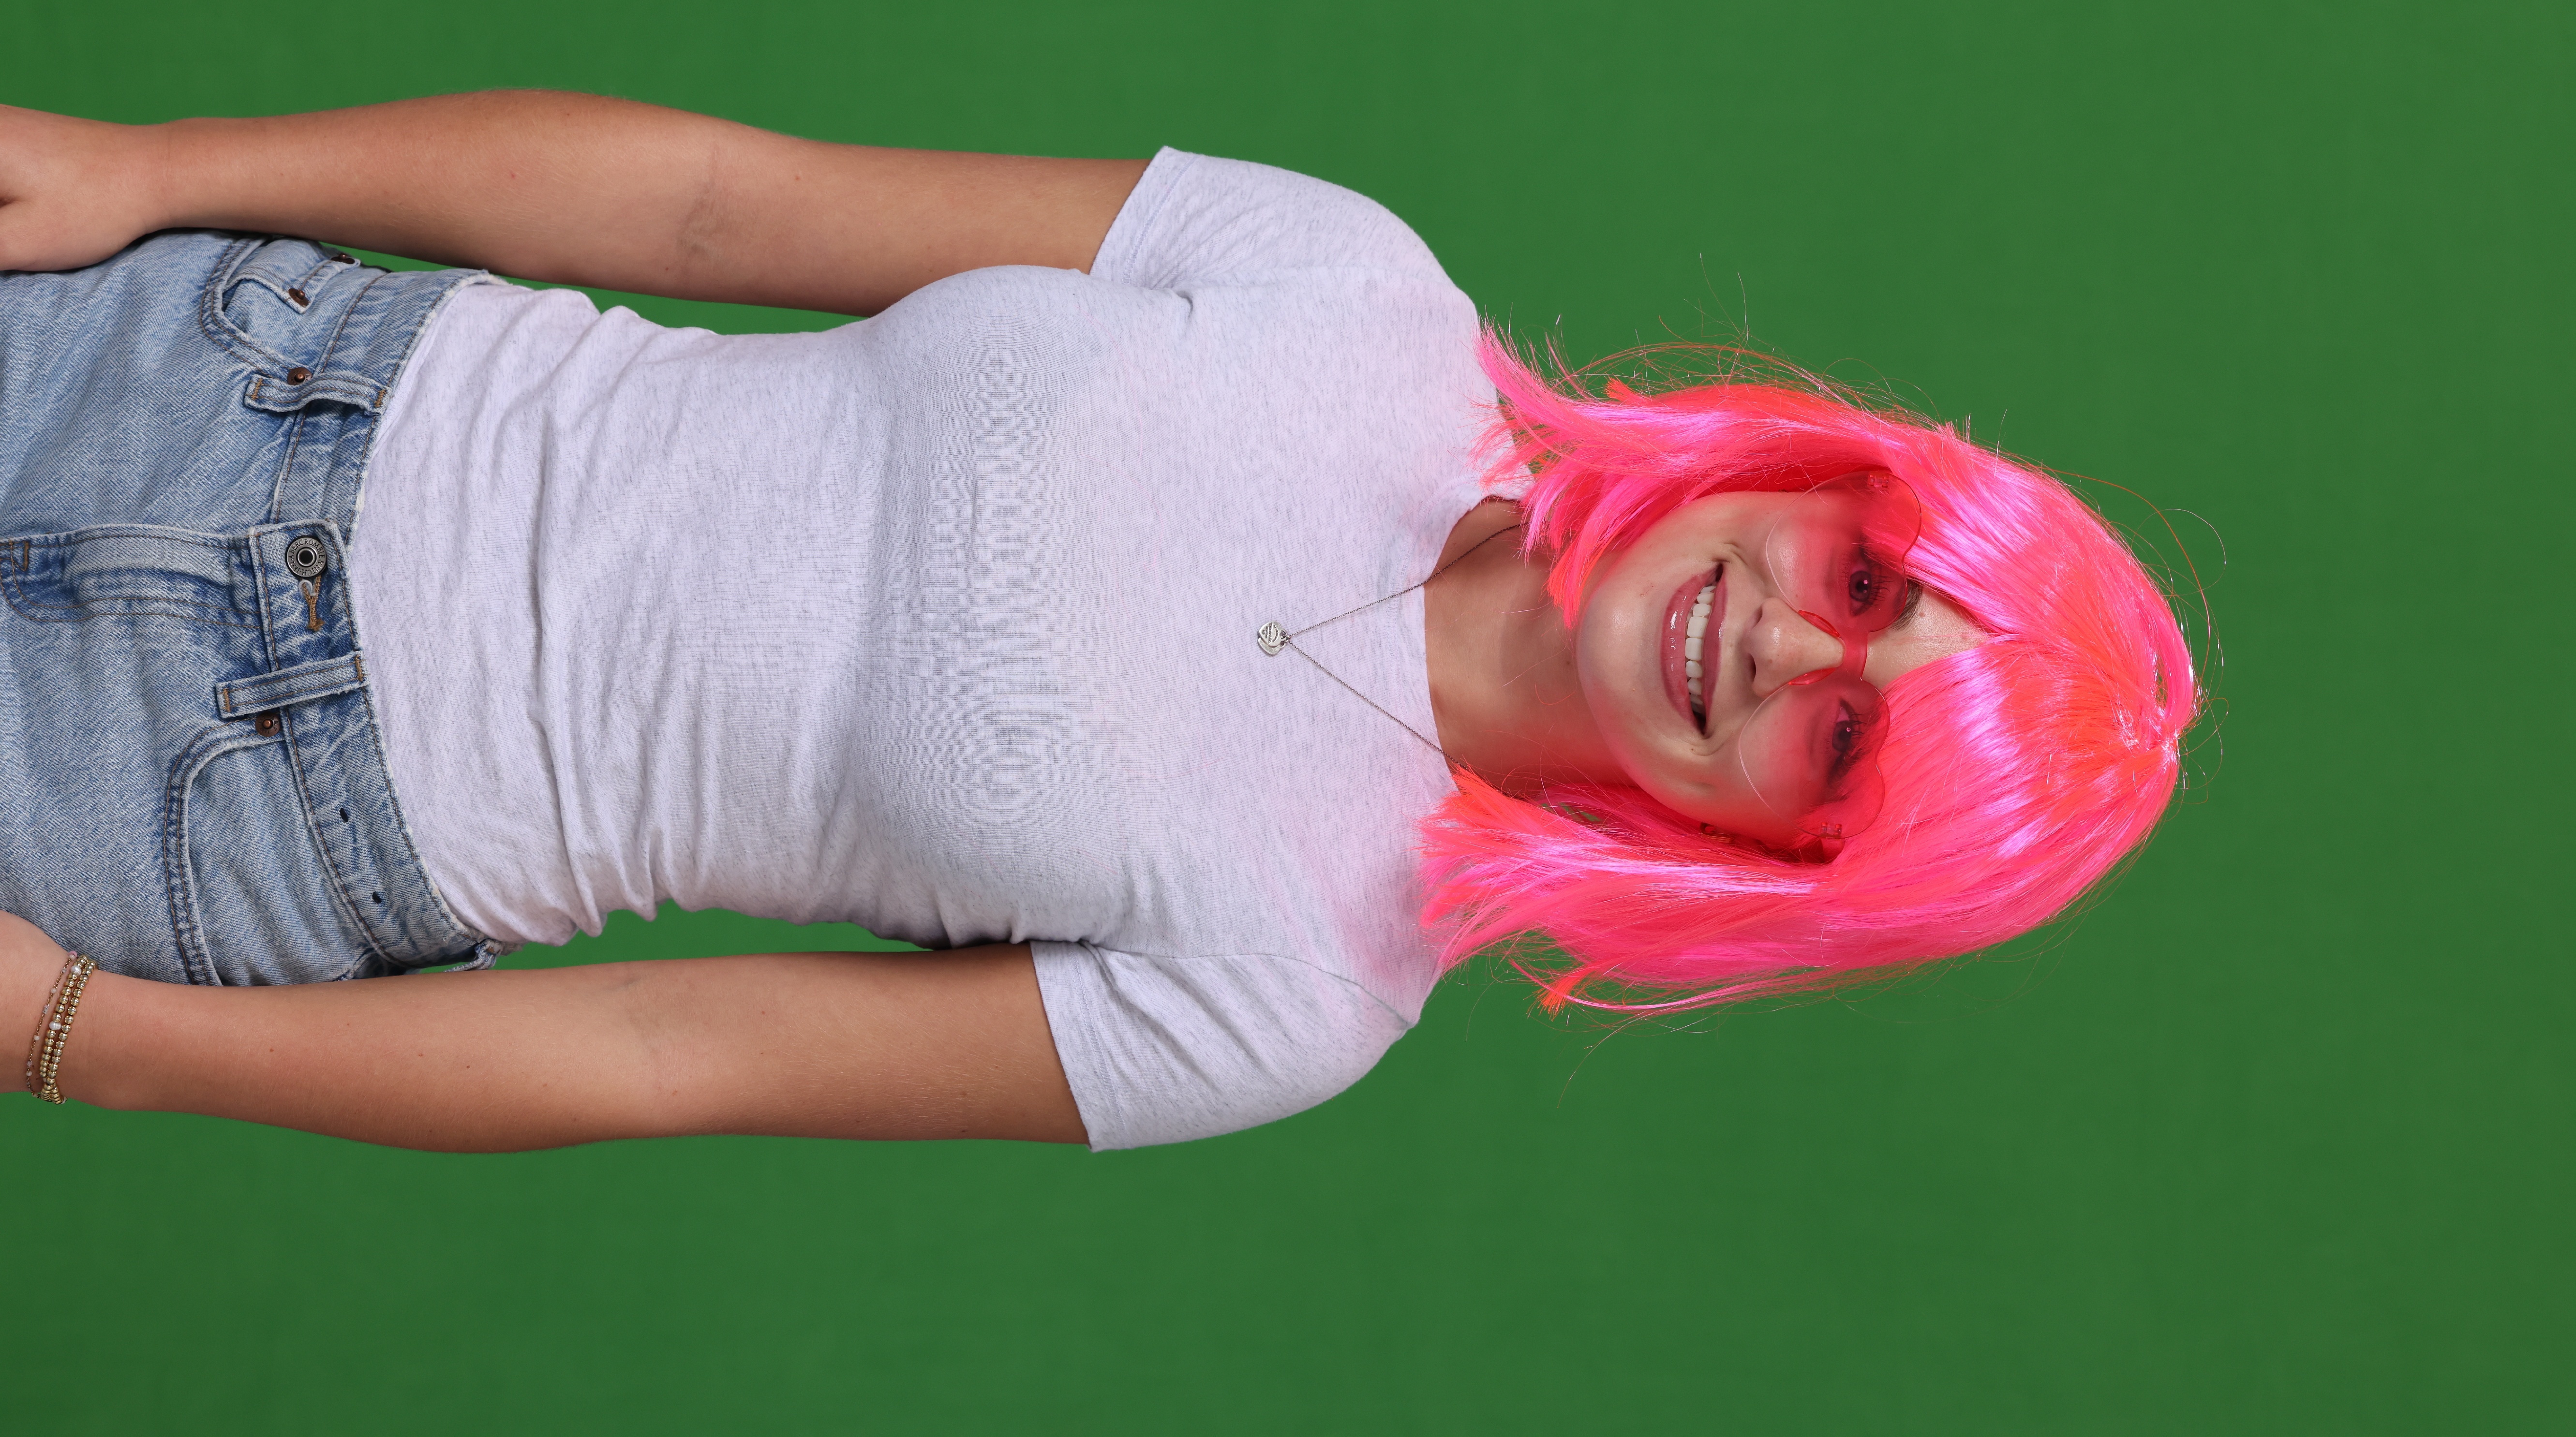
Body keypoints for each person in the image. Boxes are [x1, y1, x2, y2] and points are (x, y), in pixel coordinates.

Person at [0, 92, 2197, 1152]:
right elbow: (717, 202)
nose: (1793, 650)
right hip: (237, 366)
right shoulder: (1355, 295)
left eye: (1850, 739)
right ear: (1825, 485)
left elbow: (671, 1054)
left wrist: (85, 1034)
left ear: (1780, 858)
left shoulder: (1301, 995)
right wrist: (151, 171)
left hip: (232, 821)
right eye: (1868, 585)